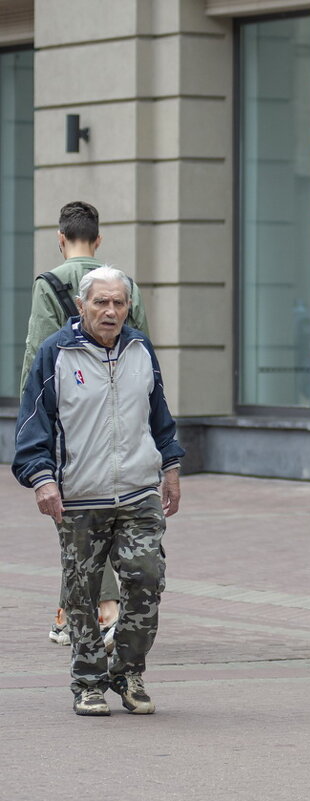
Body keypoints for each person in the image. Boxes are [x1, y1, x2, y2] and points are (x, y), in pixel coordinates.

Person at [13, 266, 183, 716]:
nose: (110, 311)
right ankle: (88, 681)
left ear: (128, 307)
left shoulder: (140, 349)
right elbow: (33, 425)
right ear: (83, 305)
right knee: (82, 594)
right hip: (79, 496)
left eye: (119, 303)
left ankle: (127, 672)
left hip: (138, 492)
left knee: (146, 577)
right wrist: (42, 478)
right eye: (101, 302)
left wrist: (171, 466)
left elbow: (159, 414)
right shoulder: (56, 354)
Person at [21, 201, 150, 648]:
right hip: (121, 421)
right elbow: (143, 347)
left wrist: (28, 423)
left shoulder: (50, 283)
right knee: (92, 518)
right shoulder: (124, 285)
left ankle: (106, 608)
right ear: (98, 240)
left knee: (75, 518)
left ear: (61, 239)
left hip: (68, 423)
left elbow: (38, 354)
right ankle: (66, 615)